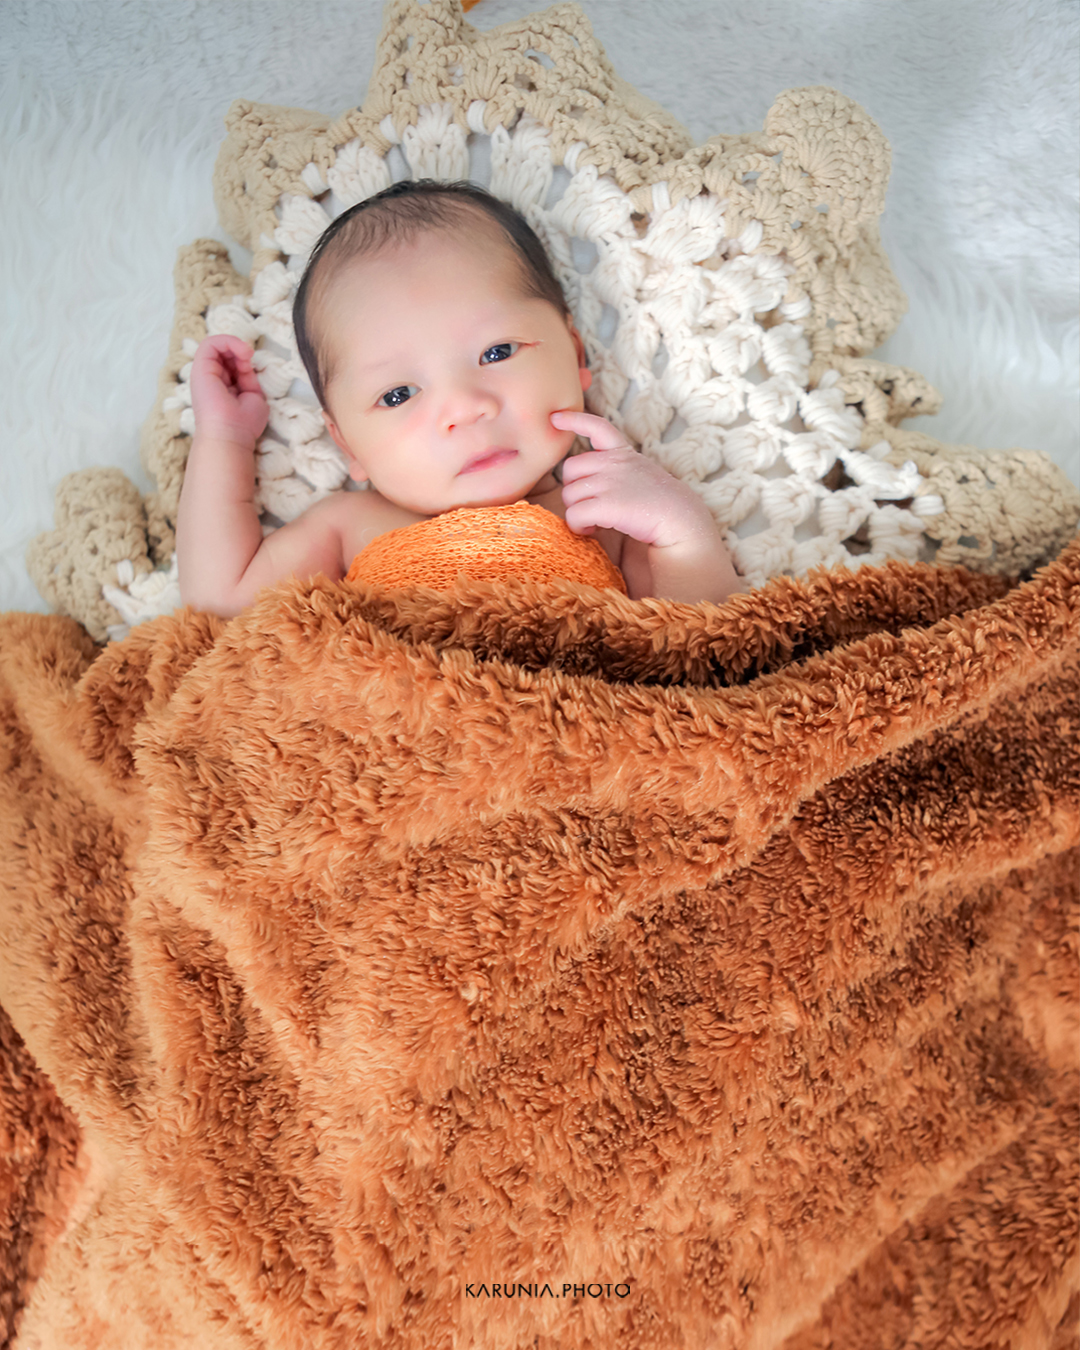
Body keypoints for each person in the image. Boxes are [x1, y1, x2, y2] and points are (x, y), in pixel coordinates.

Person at [177, 180, 743, 617]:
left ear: (573, 353)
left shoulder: (603, 510)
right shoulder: (350, 525)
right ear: (345, 441)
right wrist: (224, 439)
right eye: (398, 393)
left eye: (497, 353)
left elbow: (692, 640)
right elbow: (221, 598)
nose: (465, 407)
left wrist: (679, 530)